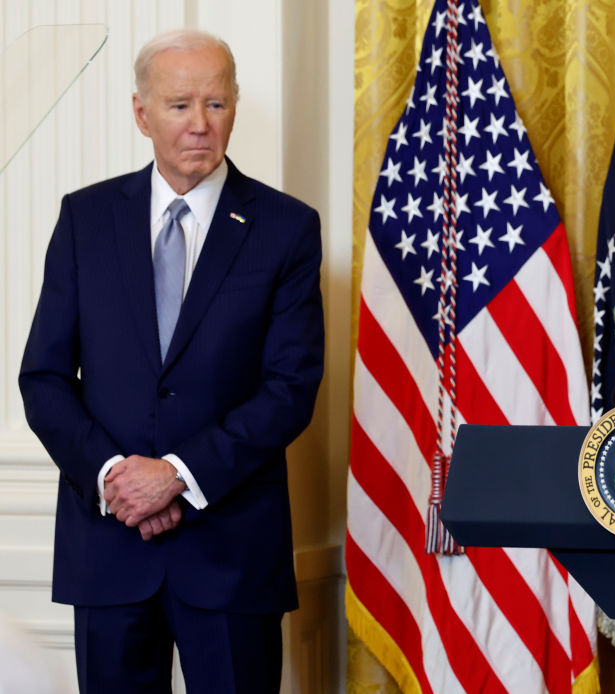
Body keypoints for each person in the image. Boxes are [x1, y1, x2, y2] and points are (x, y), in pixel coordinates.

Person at [19, 29, 324, 693]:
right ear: (141, 113)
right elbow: (43, 377)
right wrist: (115, 478)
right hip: (107, 551)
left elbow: (290, 387)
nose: (199, 125)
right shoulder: (85, 219)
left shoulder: (286, 227)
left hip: (231, 552)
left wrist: (178, 476)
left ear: (234, 110)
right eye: (180, 105)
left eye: (216, 104)